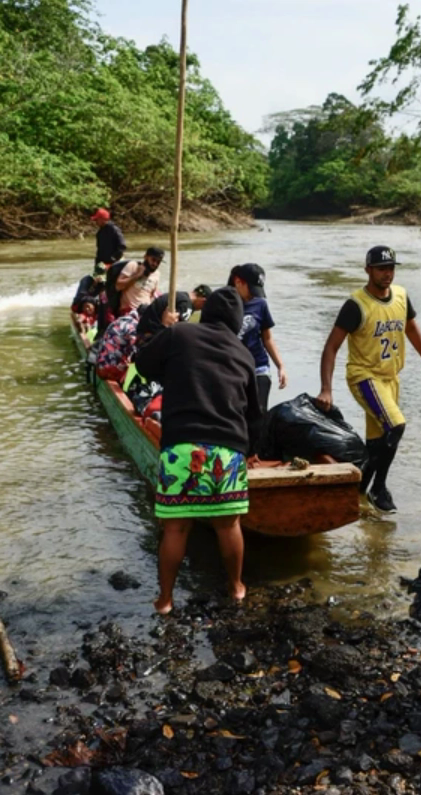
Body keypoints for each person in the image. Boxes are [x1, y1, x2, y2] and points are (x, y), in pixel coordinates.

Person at [133, 287, 261, 611]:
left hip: (181, 448)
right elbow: (253, 416)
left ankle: (164, 600)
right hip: (228, 450)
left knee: (175, 527)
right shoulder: (244, 354)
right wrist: (252, 451)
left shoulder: (179, 334)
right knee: (228, 525)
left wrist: (164, 328)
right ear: (236, 322)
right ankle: (236, 588)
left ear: (207, 313)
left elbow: (143, 363)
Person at [314, 246, 421, 513]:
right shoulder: (356, 305)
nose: (388, 274)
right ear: (368, 270)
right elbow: (331, 347)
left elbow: (411, 328)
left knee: (378, 440)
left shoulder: (401, 296)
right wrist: (326, 388)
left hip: (390, 378)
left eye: (391, 268)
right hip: (364, 376)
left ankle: (359, 491)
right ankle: (379, 488)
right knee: (396, 426)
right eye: (382, 268)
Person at [228, 263, 287, 410]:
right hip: (231, 368)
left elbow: (267, 338)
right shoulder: (223, 304)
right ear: (238, 282)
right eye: (251, 290)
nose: (253, 295)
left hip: (258, 367)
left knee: (259, 415)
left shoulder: (260, 305)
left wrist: (280, 366)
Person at [114, 247, 164, 315]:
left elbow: (151, 295)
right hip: (130, 311)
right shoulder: (133, 266)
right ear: (145, 257)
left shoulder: (157, 274)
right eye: (153, 260)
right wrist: (137, 276)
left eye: (158, 262)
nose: (155, 264)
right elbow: (118, 286)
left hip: (146, 311)